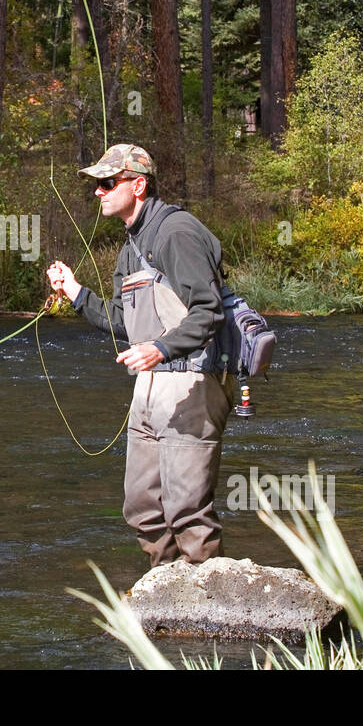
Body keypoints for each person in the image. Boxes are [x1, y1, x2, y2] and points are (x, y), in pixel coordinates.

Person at [46, 144, 236, 566]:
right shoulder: (131, 245)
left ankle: (207, 606)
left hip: (193, 380)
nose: (99, 192)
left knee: (187, 509)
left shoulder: (176, 233)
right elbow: (122, 322)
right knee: (142, 508)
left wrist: (159, 348)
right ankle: (165, 594)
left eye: (107, 183)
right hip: (150, 384)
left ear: (138, 185)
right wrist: (74, 291)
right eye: (97, 184)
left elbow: (211, 311)